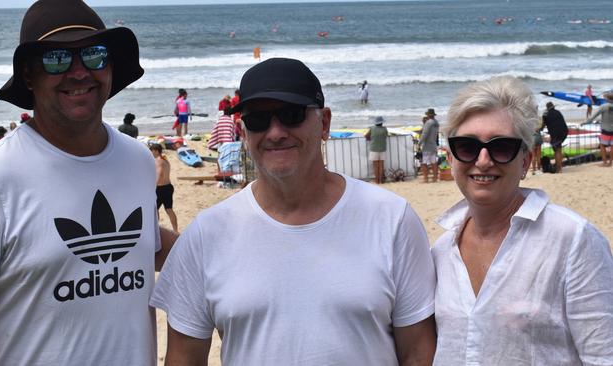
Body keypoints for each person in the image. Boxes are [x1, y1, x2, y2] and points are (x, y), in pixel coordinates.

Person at [150, 57, 436, 365]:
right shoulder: (207, 233)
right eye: (258, 119)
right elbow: (183, 357)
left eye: (291, 115)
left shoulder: (392, 219)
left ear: (324, 123)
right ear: (244, 133)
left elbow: (419, 351)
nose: (275, 132)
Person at [0, 1, 177, 364]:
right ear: (29, 75)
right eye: (57, 59)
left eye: (94, 55)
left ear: (110, 67)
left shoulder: (138, 160)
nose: (79, 72)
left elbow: (146, 244)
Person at [433, 76, 613, 365]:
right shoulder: (440, 251)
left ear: (526, 161)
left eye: (501, 147)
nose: (482, 160)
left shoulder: (573, 239)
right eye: (466, 146)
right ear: (451, 157)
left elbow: (603, 355)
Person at [150, 143, 179, 232]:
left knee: (155, 210)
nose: (151, 153)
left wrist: (152, 187)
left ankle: (156, 230)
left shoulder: (158, 161)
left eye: (151, 151)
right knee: (169, 209)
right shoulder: (165, 160)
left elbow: (159, 175)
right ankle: (175, 230)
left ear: (155, 151)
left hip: (160, 189)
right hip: (168, 187)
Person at [583, 90, 613, 167]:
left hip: (605, 129)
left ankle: (604, 162)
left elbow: (592, 117)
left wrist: (585, 122)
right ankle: (610, 162)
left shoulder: (603, 106)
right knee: (612, 146)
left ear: (607, 99)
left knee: (602, 145)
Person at [541, 101, 568, 173]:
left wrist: (539, 129)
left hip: (555, 134)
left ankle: (559, 169)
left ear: (547, 108)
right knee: (559, 149)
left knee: (557, 150)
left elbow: (542, 126)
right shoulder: (558, 112)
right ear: (553, 107)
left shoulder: (546, 115)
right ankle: (559, 166)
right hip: (564, 132)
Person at [364, 116, 388, 184]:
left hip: (374, 149)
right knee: (381, 166)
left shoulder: (372, 129)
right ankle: (381, 181)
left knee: (375, 166)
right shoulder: (384, 129)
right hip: (383, 148)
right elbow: (386, 136)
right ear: (382, 123)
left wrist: (370, 139)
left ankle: (377, 181)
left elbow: (366, 136)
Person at [419, 108, 440, 183]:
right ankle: (435, 178)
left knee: (424, 162)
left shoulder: (428, 123)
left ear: (428, 115)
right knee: (433, 162)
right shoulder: (436, 123)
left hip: (427, 145)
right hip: (433, 144)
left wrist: (419, 143)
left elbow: (425, 134)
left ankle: (426, 178)